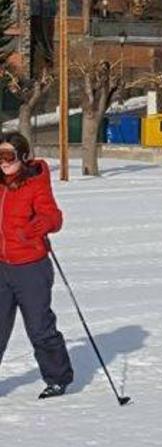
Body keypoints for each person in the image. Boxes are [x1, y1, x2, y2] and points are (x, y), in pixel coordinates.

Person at [0, 131, 74, 399]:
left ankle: (57, 378)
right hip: (2, 267)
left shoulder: (34, 183)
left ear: (21, 156)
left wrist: (35, 227)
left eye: (8, 156)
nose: (3, 162)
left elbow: (53, 216)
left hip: (31, 267)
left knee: (39, 327)